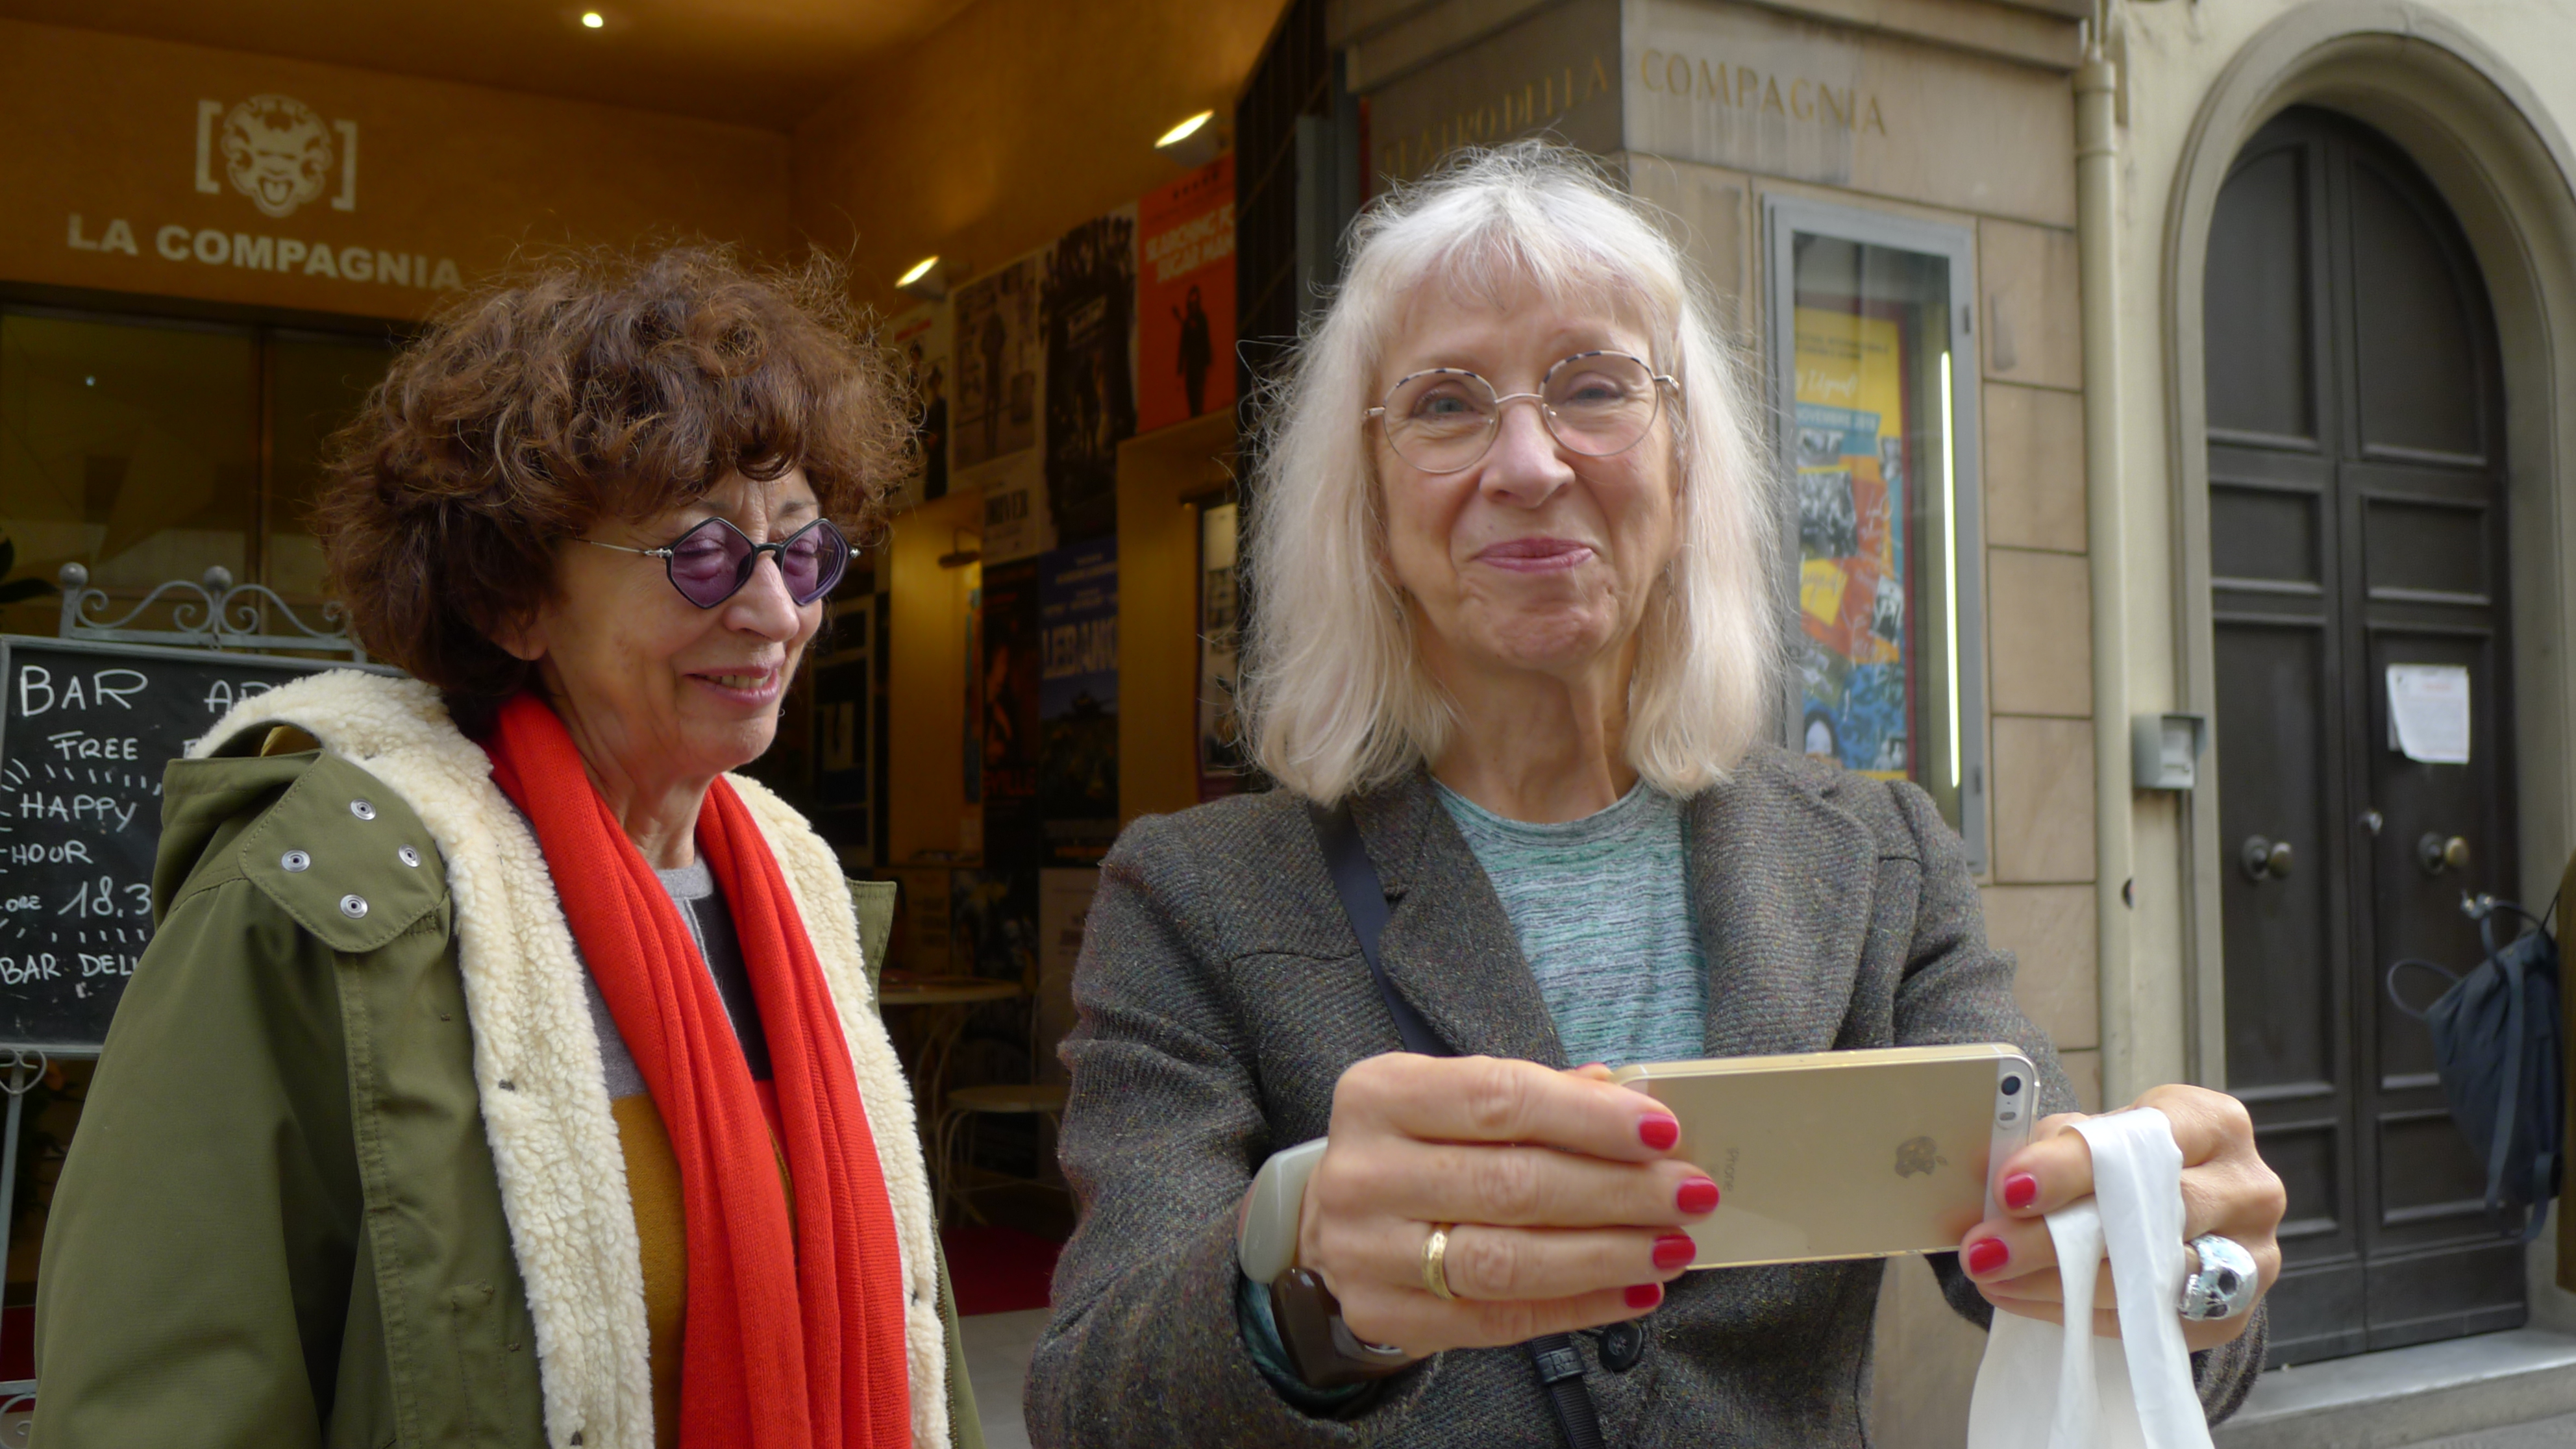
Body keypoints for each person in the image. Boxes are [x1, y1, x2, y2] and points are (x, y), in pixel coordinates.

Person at [1026, 145, 2285, 1446]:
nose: (1528, 462)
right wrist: (1302, 1299)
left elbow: (2076, 1263)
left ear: (1684, 467)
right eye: (1446, 405)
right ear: (1370, 504)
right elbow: (1088, 1404)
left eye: (1593, 388)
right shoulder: (1194, 898)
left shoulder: (1874, 857)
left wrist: (2175, 1256)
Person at [34, 248, 977, 1449]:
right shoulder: (317, 903)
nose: (776, 613)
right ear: (510, 598)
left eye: (800, 552)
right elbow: (165, 1403)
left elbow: (913, 1340)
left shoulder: (799, 896)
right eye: (699, 556)